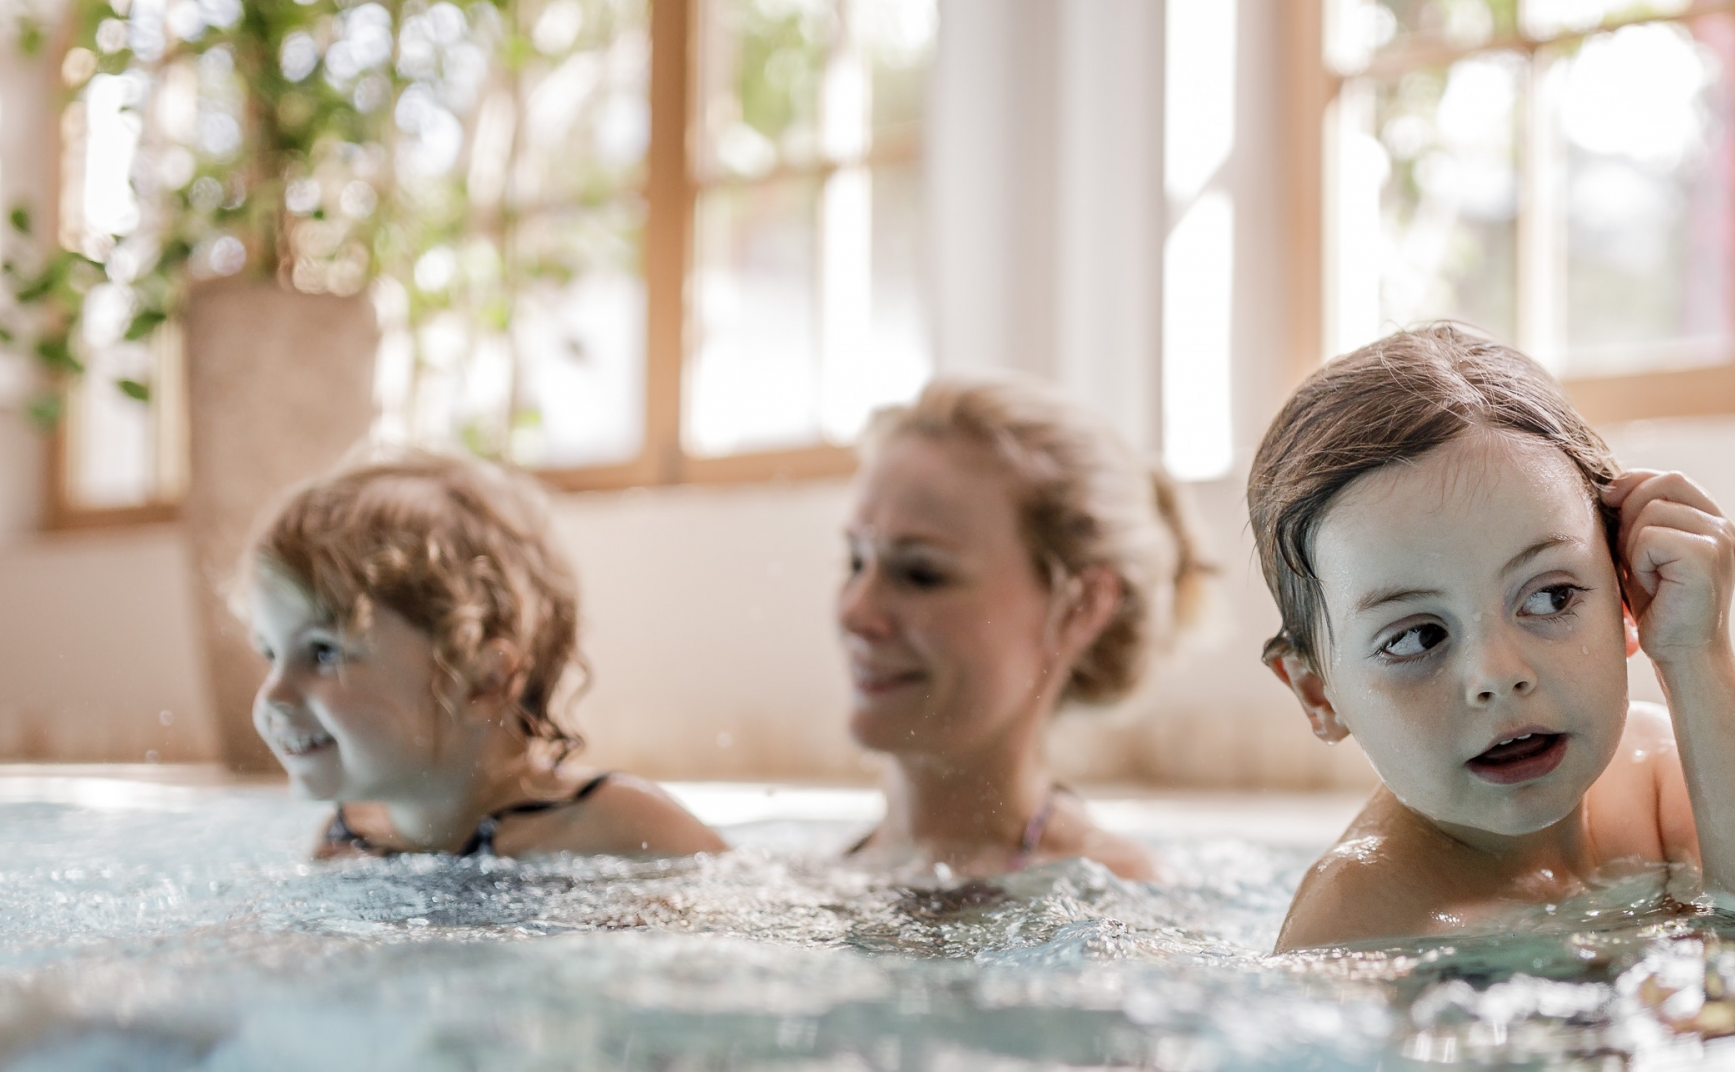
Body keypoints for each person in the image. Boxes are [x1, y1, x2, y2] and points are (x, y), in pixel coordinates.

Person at [1251, 323, 1735, 950]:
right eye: (1416, 638)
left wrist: (1697, 656)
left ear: (1627, 594)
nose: (1497, 672)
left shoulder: (1655, 773)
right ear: (1318, 694)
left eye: (1549, 597)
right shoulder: (1359, 918)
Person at [244, 453, 724, 860]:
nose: (275, 696)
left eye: (323, 652)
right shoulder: (348, 843)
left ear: (483, 682)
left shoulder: (617, 829)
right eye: (270, 653)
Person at [838, 376, 1209, 881]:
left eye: (922, 573)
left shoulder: (1110, 898)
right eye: (857, 561)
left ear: (1079, 607)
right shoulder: (818, 873)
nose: (856, 613)